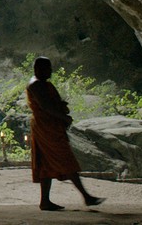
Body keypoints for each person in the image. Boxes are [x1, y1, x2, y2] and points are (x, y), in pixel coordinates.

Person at [28, 56, 105, 211]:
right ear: (38, 69)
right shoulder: (36, 85)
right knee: (66, 159)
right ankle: (86, 196)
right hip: (46, 127)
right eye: (47, 69)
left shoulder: (42, 84)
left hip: (48, 126)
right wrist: (63, 116)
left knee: (46, 164)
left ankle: (45, 201)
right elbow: (46, 106)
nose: (50, 72)